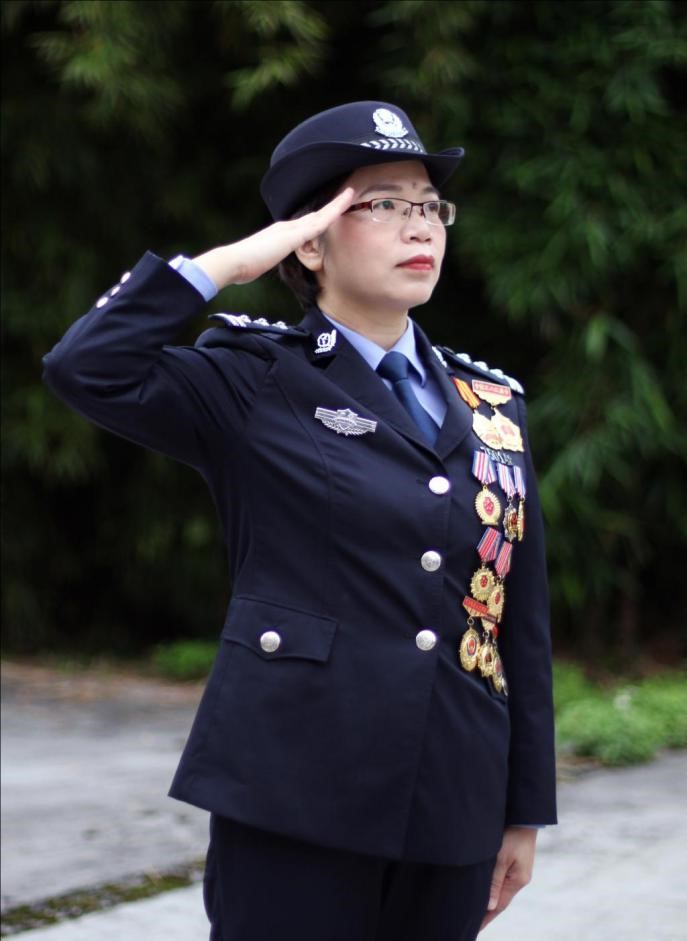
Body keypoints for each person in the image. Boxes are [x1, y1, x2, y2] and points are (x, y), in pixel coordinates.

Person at [43, 101, 557, 941]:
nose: (418, 225)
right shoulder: (254, 379)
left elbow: (516, 621)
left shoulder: (491, 405)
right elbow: (85, 367)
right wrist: (228, 263)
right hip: (295, 789)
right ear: (309, 241)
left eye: (429, 205)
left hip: (452, 799)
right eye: (381, 204)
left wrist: (522, 809)